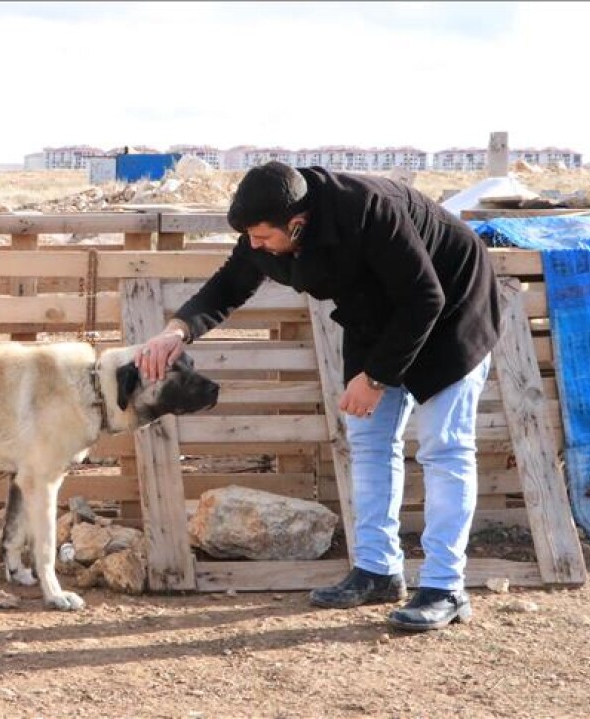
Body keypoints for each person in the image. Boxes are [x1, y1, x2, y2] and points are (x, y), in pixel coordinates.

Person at [136, 162, 501, 632]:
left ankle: (445, 586)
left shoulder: (370, 209)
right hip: (378, 316)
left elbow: (423, 298)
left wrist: (374, 378)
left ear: (298, 222)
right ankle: (377, 571)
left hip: (452, 310)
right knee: (368, 441)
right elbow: (230, 283)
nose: (255, 246)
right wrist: (177, 331)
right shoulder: (269, 224)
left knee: (444, 448)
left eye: (264, 237)